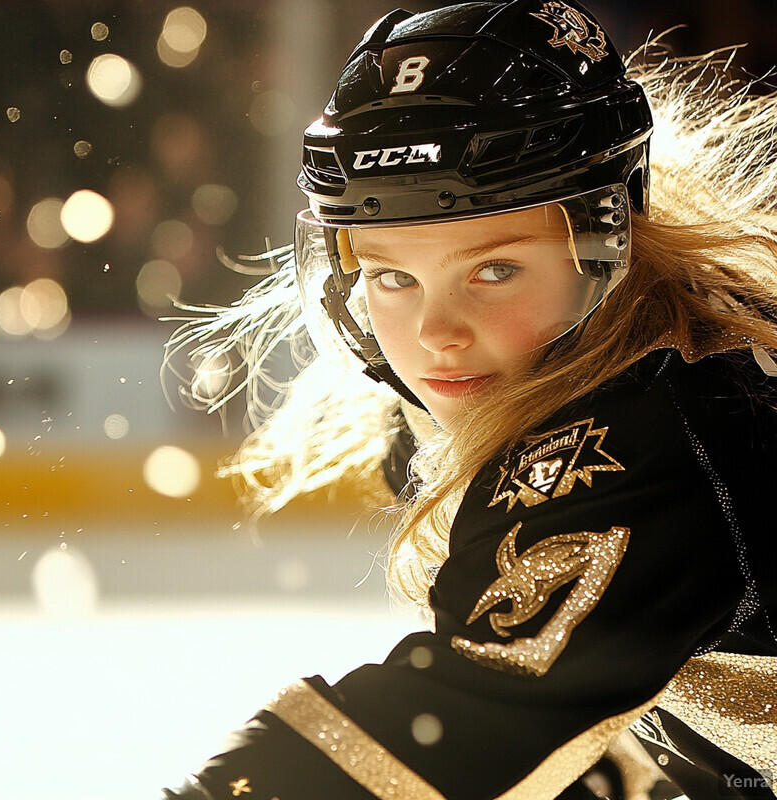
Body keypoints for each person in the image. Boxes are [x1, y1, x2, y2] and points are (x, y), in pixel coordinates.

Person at [162, 1, 777, 798]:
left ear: (609, 234)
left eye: (494, 271)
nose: (436, 333)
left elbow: (466, 723)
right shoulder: (595, 377)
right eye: (393, 277)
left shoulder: (661, 430)